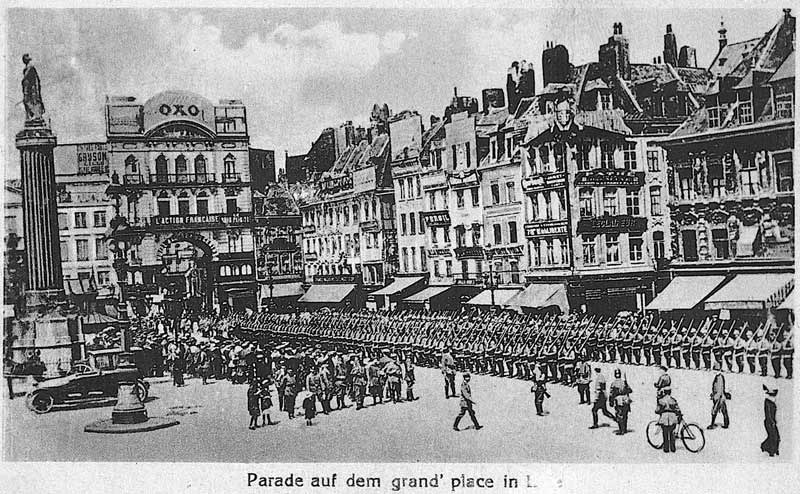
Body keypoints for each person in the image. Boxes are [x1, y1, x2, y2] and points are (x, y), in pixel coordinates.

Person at [655, 389, 681, 453]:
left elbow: (657, 410)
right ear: (670, 392)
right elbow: (677, 409)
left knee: (665, 433)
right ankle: (672, 448)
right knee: (672, 432)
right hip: (672, 417)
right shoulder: (673, 400)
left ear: (664, 392)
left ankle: (666, 448)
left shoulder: (661, 400)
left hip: (664, 417)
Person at [609, 368, 632, 435]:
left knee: (619, 415)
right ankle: (624, 429)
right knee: (625, 415)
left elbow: (611, 393)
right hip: (625, 399)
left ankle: (621, 430)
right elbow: (630, 390)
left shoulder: (613, 383)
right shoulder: (624, 382)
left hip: (618, 400)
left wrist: (611, 401)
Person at [707, 363, 730, 429]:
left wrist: (715, 397)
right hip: (721, 397)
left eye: (715, 370)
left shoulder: (719, 378)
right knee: (724, 411)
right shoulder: (719, 377)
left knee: (714, 412)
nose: (714, 372)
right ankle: (726, 424)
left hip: (719, 398)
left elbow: (719, 389)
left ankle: (712, 425)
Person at [760, 385, 780, 457]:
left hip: (771, 422)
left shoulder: (771, 402)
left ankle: (771, 448)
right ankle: (771, 450)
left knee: (775, 436)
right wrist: (772, 422)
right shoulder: (768, 402)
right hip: (769, 422)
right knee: (773, 437)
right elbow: (768, 414)